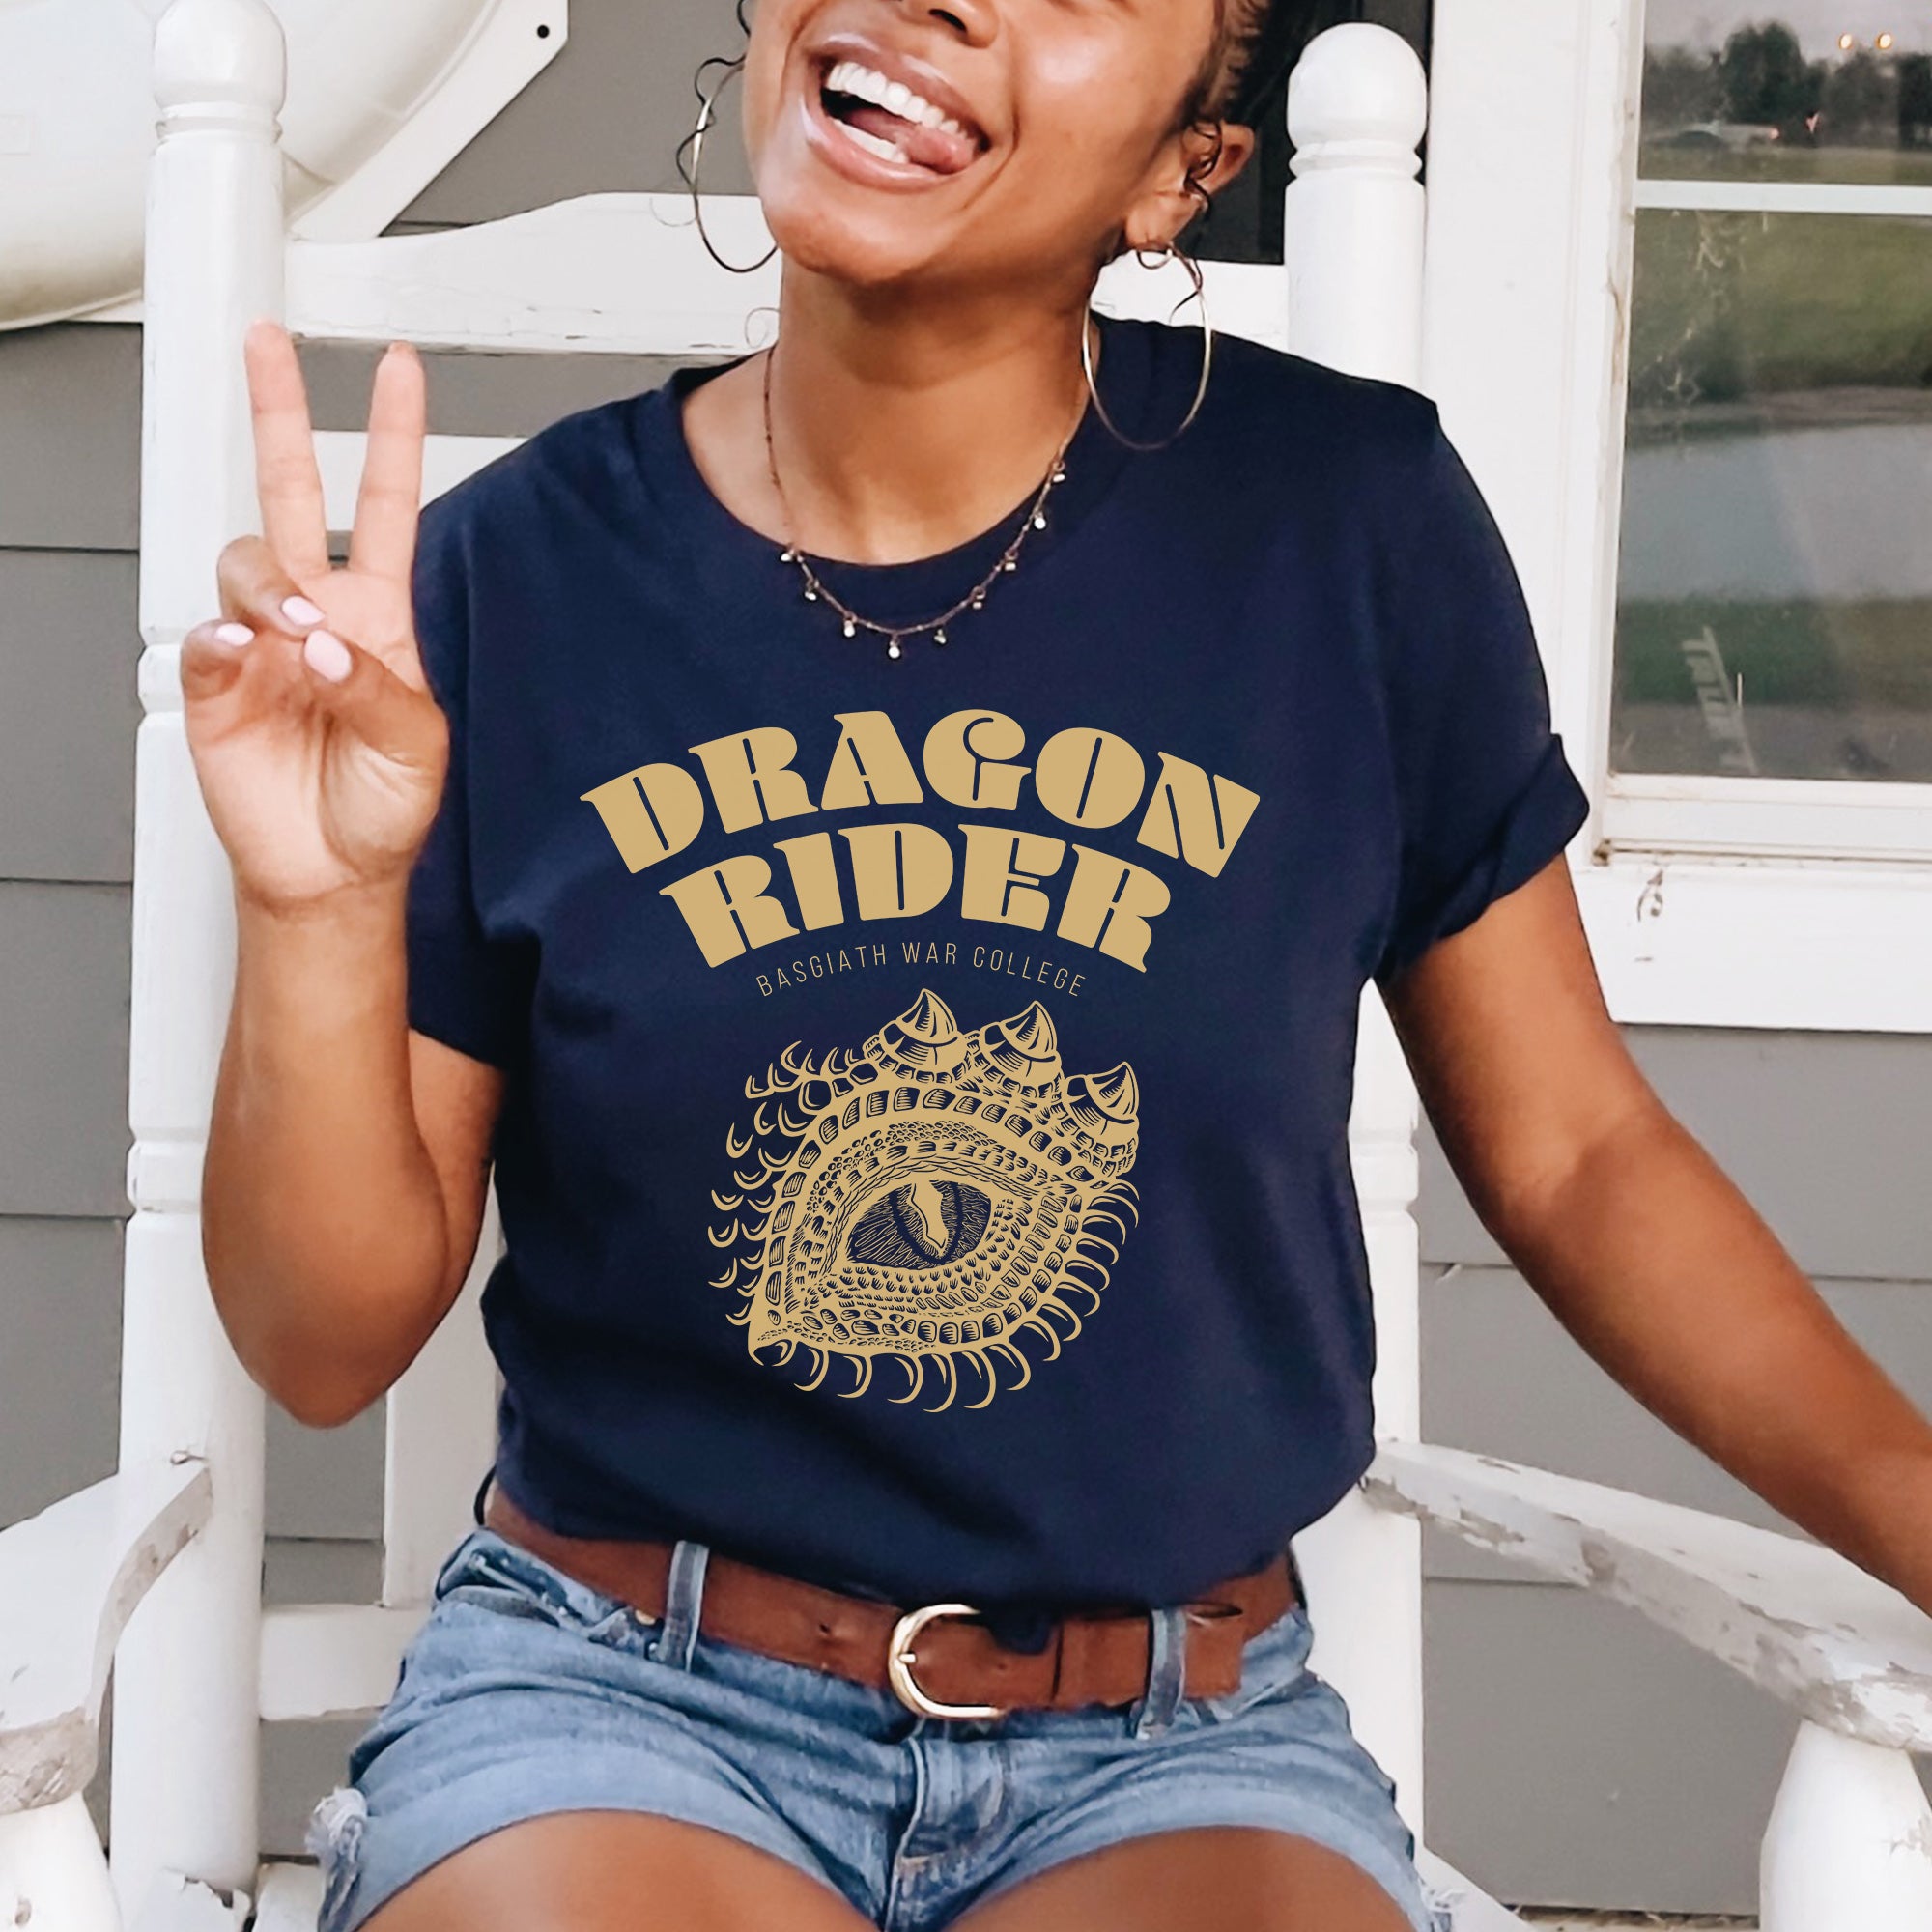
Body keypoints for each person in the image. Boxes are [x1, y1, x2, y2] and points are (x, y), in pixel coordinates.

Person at [188, 0, 1932, 1926]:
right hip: (623, 1698)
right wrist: (316, 907)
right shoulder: (500, 585)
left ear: (1181, 174)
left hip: (1171, 1736)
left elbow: (1580, 1155)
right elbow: (321, 1345)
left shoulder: (1344, 532)